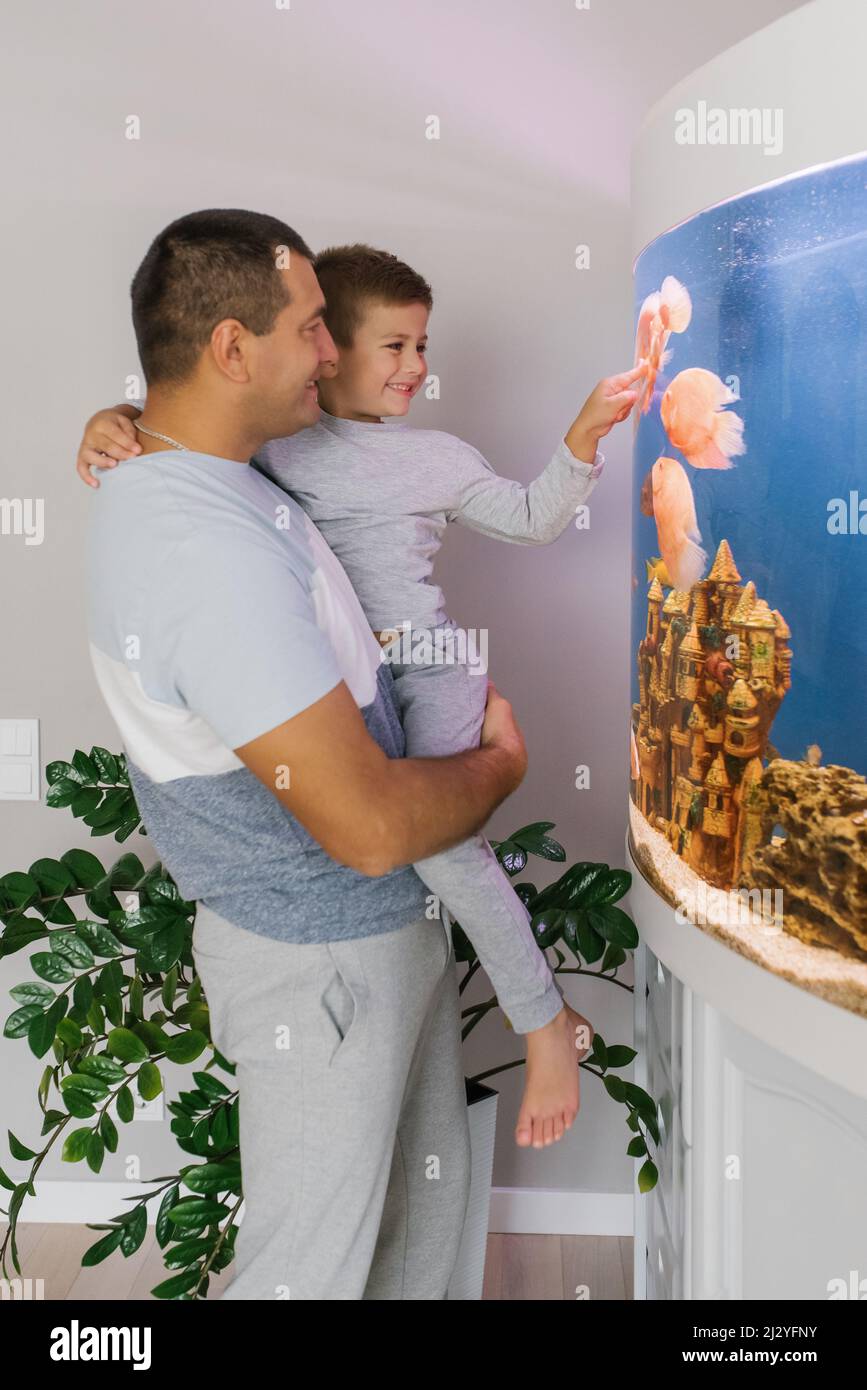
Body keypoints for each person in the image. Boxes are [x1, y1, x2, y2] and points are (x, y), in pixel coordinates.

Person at [82, 208, 587, 1301]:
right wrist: (500, 766)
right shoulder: (200, 546)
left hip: (373, 950)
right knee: (303, 1275)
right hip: (324, 973)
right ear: (232, 348)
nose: (334, 349)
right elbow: (368, 826)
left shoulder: (224, 472)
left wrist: (117, 418)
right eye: (317, 327)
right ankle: (545, 1018)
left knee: (410, 1244)